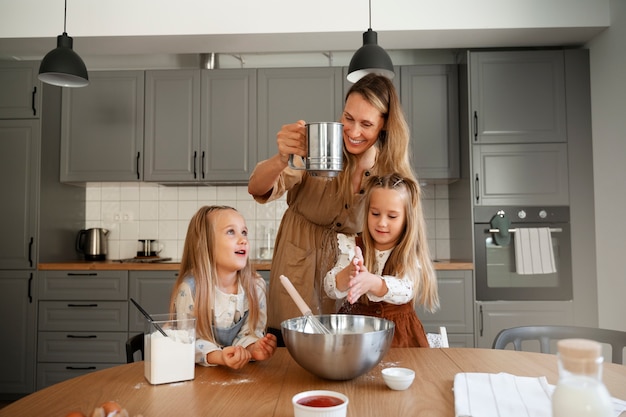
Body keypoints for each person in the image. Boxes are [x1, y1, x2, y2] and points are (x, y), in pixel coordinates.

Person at [248, 74, 416, 345]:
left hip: (344, 280)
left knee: (339, 352)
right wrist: (281, 158)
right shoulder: (319, 147)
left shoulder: (387, 175)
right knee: (289, 353)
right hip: (296, 268)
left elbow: (401, 241)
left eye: (366, 124)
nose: (353, 131)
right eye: (348, 118)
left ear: (384, 126)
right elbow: (258, 188)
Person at [323, 173, 439, 347]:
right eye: (375, 213)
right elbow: (330, 289)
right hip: (356, 335)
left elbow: (406, 289)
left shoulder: (407, 253)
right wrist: (346, 276)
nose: (382, 223)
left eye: (392, 216)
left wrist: (373, 282)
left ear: (407, 219)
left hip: (399, 338)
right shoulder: (352, 247)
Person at [169, 205, 277, 369]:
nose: (243, 240)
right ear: (204, 244)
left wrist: (254, 348)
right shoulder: (190, 289)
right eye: (231, 232)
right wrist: (219, 357)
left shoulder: (256, 286)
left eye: (244, 232)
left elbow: (250, 332)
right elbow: (187, 342)